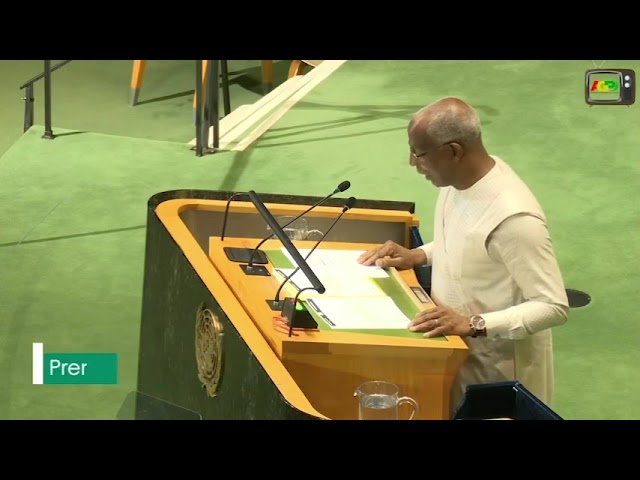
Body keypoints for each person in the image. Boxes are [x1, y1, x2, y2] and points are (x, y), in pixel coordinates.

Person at [358, 96, 569, 416]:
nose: (413, 164)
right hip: (454, 353)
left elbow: (552, 306)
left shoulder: (515, 220)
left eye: (419, 153)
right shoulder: (457, 181)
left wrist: (474, 324)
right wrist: (417, 255)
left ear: (453, 151)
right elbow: (467, 243)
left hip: (496, 375)